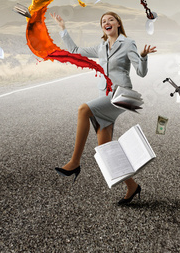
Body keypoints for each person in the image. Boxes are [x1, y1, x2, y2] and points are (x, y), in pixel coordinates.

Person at [50, 11, 156, 205]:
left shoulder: (128, 43)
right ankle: (132, 186)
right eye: (103, 21)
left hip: (119, 95)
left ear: (118, 24)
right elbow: (74, 50)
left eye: (110, 20)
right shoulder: (100, 47)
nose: (106, 23)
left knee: (83, 110)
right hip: (103, 95)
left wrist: (143, 56)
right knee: (105, 149)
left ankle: (74, 162)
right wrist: (63, 29)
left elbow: (141, 72)